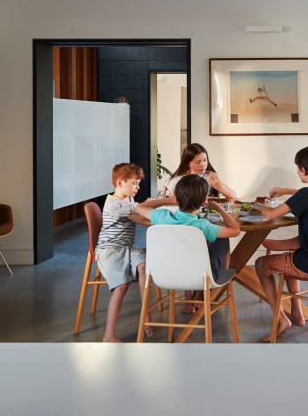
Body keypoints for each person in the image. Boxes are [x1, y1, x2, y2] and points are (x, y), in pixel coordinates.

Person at [253, 144, 308, 342]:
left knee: (260, 264)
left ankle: (281, 319)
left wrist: (257, 205)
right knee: (290, 256)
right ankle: (298, 314)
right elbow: (306, 193)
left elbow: (270, 214)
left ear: (303, 170)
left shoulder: (305, 196)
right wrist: (284, 190)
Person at [136, 174, 241, 314]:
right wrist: (218, 208)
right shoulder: (203, 225)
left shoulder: (163, 217)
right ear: (204, 202)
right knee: (221, 238)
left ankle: (197, 294)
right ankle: (208, 289)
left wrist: (168, 200)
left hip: (167, 275)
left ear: (177, 199)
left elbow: (140, 207)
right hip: (200, 277)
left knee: (194, 248)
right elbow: (235, 230)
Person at [95, 163, 157, 343]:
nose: (138, 187)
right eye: (135, 183)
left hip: (127, 249)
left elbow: (141, 205)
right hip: (110, 250)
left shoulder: (129, 200)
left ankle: (147, 318)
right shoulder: (114, 205)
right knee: (121, 286)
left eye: (138, 183)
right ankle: (109, 336)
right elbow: (141, 208)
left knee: (144, 266)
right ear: (120, 183)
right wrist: (169, 201)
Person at [163, 143, 236, 199]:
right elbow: (167, 204)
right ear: (188, 163)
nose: (203, 165)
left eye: (205, 160)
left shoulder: (209, 178)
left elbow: (234, 197)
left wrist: (220, 187)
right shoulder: (176, 181)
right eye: (198, 162)